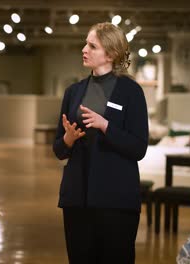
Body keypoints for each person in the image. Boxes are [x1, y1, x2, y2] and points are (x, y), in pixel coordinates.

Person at [53, 22, 149, 264]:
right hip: (77, 199)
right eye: (86, 43)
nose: (84, 49)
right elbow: (58, 149)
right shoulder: (73, 92)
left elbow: (139, 148)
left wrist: (105, 126)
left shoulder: (131, 92)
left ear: (111, 54)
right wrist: (68, 139)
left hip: (116, 200)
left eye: (92, 46)